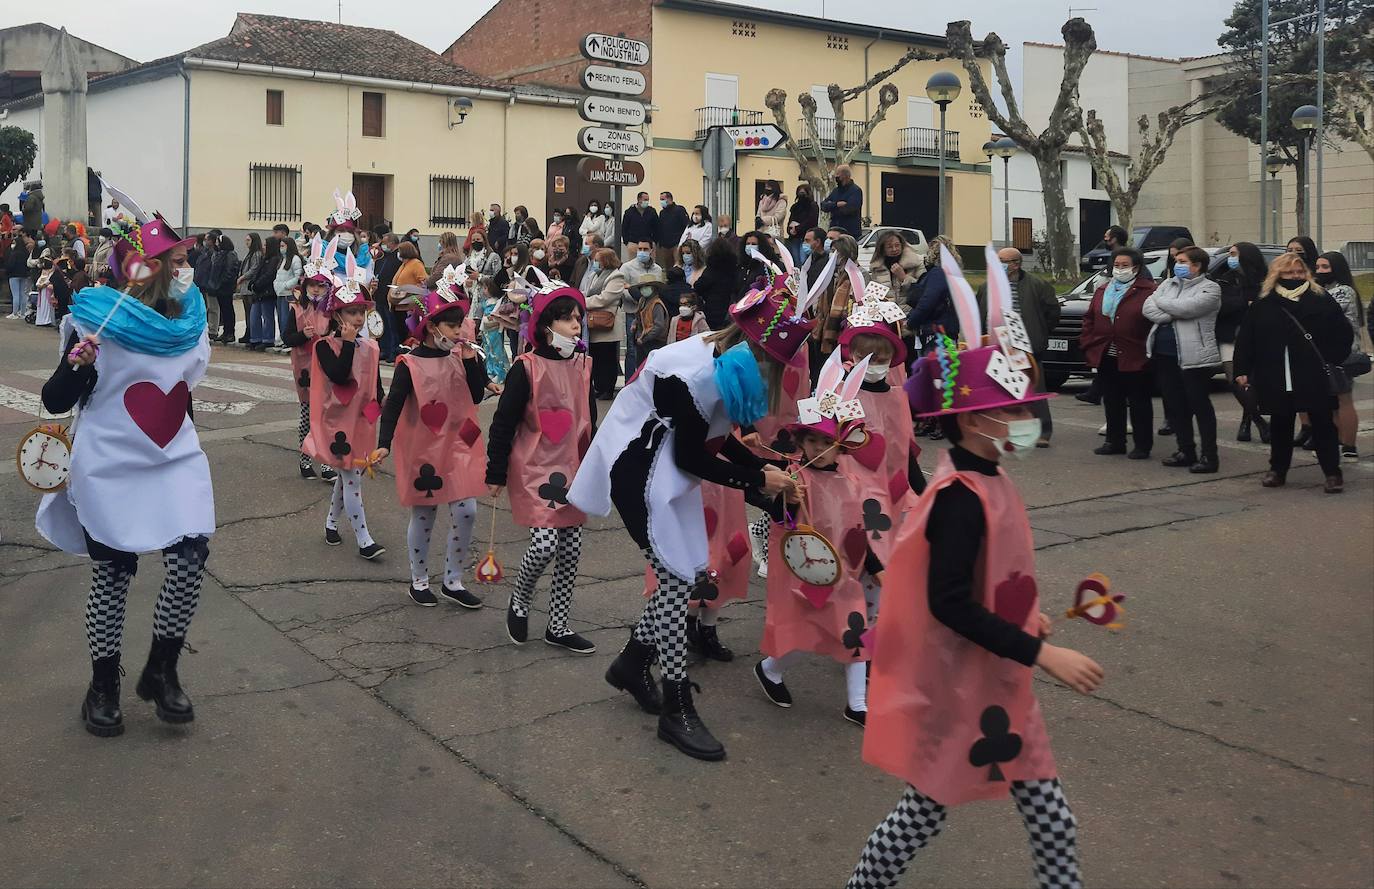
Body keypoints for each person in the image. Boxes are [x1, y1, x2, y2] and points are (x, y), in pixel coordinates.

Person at [848, 329, 1102, 889]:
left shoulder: (993, 477)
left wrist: (1023, 615)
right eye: (1008, 411)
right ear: (970, 422)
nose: (1022, 421)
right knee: (922, 815)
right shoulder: (959, 498)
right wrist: (1043, 653)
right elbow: (951, 604)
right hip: (962, 689)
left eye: (1022, 409)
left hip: (1000, 686)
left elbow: (991, 576)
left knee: (1054, 823)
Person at [570, 272, 802, 762]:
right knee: (676, 581)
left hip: (665, 468)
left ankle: (633, 663)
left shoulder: (722, 358)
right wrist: (760, 480)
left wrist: (767, 468)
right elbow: (694, 458)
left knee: (682, 578)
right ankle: (675, 707)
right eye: (767, 360)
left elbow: (717, 439)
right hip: (639, 470)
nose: (768, 372)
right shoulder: (692, 373)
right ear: (748, 343)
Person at [38, 208, 216, 738]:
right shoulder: (97, 320)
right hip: (110, 464)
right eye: (178, 261)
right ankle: (102, 687)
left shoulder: (190, 323)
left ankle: (161, 670)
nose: (188, 269)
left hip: (172, 457)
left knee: (190, 557)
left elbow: (182, 395)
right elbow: (53, 399)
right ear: (145, 268)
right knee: (114, 574)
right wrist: (78, 363)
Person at [755, 351, 881, 725]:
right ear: (803, 441)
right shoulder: (796, 478)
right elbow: (783, 522)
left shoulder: (850, 480)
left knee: (853, 630)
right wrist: (786, 501)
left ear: (842, 446)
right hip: (809, 573)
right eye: (814, 443)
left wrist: (877, 567)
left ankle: (857, 703)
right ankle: (770, 669)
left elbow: (858, 531)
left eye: (830, 445)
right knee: (809, 635)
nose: (822, 452)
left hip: (847, 576)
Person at [486, 286, 597, 653]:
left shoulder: (583, 364)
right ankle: (519, 599)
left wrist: (597, 466)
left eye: (578, 318)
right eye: (567, 318)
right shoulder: (526, 368)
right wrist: (495, 471)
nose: (576, 325)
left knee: (571, 548)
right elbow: (503, 422)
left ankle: (558, 625)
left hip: (572, 468)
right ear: (547, 324)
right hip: (535, 467)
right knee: (546, 543)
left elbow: (590, 421)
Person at [377, 277, 490, 607]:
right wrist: (384, 442)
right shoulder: (408, 364)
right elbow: (394, 404)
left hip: (459, 446)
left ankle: (453, 580)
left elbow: (476, 395)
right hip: (424, 450)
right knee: (425, 514)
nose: (458, 332)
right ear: (430, 325)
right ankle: (419, 579)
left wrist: (471, 362)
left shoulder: (461, 357)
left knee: (467, 511)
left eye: (460, 325)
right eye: (451, 326)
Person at [1235, 253, 1352, 493]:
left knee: (1322, 423)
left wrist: (1332, 358)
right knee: (1280, 422)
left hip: (1312, 372)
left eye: (1299, 273)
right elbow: (1247, 338)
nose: (1295, 277)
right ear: (1278, 275)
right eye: (1289, 273)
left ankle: (1332, 473)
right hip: (1275, 372)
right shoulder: (1264, 302)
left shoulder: (1320, 299)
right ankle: (1277, 470)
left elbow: (1342, 332)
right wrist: (1242, 369)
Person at [302, 258, 387, 559]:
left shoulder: (372, 347)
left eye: (361, 312)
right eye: (351, 312)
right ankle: (364, 540)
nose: (358, 318)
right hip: (335, 422)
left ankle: (330, 524)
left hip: (361, 420)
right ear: (337, 315)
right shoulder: (325, 346)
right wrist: (348, 343)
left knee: (351, 475)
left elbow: (375, 387)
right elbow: (338, 374)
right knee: (350, 475)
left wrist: (377, 416)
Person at [1143, 245, 1222, 473]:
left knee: (1200, 405)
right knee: (1176, 406)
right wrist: (1170, 310)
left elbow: (1189, 308)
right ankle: (1185, 450)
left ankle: (1209, 456)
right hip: (1164, 355)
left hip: (1194, 357)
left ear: (1197, 266)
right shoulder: (1168, 284)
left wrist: (1165, 306)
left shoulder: (1210, 288)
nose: (1177, 265)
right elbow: (1148, 308)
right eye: (1176, 261)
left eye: (1182, 261)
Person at [976, 248, 1060, 447]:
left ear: (1016, 264)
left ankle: (1042, 432)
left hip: (1026, 343)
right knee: (1003, 389)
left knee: (1034, 388)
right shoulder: (988, 287)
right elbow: (980, 313)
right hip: (999, 343)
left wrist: (1039, 332)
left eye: (1003, 261)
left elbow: (1052, 312)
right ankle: (1007, 430)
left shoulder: (1038, 285)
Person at [1080, 247, 1159, 458]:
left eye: (1125, 266)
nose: (1120, 269)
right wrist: (1088, 343)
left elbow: (1154, 323)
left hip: (1136, 355)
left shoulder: (1149, 290)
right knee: (1112, 399)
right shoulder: (1103, 290)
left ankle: (1142, 445)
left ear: (1136, 267)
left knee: (1139, 402)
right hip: (1107, 353)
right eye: (1116, 265)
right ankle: (1114, 441)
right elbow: (1090, 319)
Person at [285, 236, 338, 482]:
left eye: (322, 285)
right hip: (305, 369)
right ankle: (305, 458)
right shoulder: (296, 309)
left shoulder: (332, 312)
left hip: (326, 370)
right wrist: (300, 335)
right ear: (305, 286)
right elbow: (287, 337)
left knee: (326, 417)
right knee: (307, 416)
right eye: (313, 285)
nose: (316, 289)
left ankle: (326, 462)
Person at [1215, 242, 1270, 443]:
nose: (1230, 257)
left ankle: (1246, 422)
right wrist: (1244, 304)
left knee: (1251, 382)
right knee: (1235, 381)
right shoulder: (1225, 279)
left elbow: (1264, 306)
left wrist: (1247, 305)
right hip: (1230, 336)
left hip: (1257, 338)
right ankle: (1259, 421)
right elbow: (1221, 306)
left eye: (1234, 253)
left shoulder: (1264, 280)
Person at [1315, 251, 1366, 462]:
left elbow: (1325, 314)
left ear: (1337, 268)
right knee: (1332, 401)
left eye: (1325, 267)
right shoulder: (1326, 289)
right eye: (1317, 267)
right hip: (1326, 352)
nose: (1319, 271)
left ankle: (1349, 445)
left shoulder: (1343, 291)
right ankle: (1337, 440)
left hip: (1342, 352)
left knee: (1344, 398)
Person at [584, 248, 628, 399]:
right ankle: (599, 387)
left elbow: (605, 298)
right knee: (596, 358)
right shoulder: (594, 275)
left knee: (608, 359)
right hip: (593, 323)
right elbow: (587, 292)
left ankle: (607, 389)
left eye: (598, 260)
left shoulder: (617, 276)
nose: (595, 263)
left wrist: (583, 302)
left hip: (608, 323)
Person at [906, 237, 962, 351]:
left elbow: (927, 301)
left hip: (935, 334)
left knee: (932, 367)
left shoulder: (937, 273)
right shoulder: (953, 275)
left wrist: (910, 322)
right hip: (948, 331)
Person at [694, 237, 740, 330]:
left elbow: (699, 286)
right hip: (730, 306)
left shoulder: (711, 269)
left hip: (712, 307)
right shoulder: (735, 267)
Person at [371, 233, 404, 361]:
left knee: (391, 325)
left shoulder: (398, 257)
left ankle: (392, 350)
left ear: (391, 243)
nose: (382, 245)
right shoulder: (383, 257)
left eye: (384, 242)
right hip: (379, 294)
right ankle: (383, 349)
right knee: (381, 324)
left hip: (389, 295)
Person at [272, 237, 303, 353]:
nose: (281, 248)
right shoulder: (282, 259)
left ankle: (287, 340)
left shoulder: (295, 259)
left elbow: (297, 276)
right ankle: (282, 339)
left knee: (286, 318)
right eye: (280, 246)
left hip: (288, 293)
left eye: (283, 246)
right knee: (280, 317)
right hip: (280, 293)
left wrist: (286, 285)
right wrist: (276, 285)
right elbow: (278, 275)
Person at [207, 234, 239, 343]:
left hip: (226, 287)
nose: (216, 244)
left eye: (217, 242)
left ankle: (230, 333)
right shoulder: (219, 254)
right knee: (224, 311)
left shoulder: (230, 254)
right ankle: (226, 332)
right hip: (219, 287)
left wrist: (221, 282)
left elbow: (229, 271)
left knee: (228, 310)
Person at [632, 273, 670, 361]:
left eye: (646, 286)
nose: (643, 289)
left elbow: (658, 326)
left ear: (653, 288)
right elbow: (639, 316)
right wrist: (635, 323)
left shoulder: (657, 304)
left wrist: (644, 338)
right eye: (642, 287)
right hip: (642, 341)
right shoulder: (642, 301)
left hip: (654, 341)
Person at [820, 164, 863, 238]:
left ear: (845, 175)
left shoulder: (856, 191)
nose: (835, 177)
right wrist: (836, 204)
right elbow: (823, 205)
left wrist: (832, 208)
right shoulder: (835, 191)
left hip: (849, 233)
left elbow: (849, 210)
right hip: (833, 231)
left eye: (837, 174)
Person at [657, 192, 691, 268]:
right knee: (667, 266)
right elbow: (660, 227)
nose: (661, 201)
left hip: (677, 244)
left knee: (678, 265)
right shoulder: (662, 213)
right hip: (665, 245)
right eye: (660, 199)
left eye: (663, 199)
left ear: (669, 199)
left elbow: (686, 225)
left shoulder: (679, 210)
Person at [622, 192, 659, 260]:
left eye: (647, 200)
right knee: (633, 266)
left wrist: (654, 242)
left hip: (649, 244)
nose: (647, 202)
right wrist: (627, 242)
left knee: (650, 265)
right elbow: (624, 228)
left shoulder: (652, 211)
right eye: (645, 199)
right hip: (633, 243)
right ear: (639, 199)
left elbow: (657, 227)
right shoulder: (629, 212)